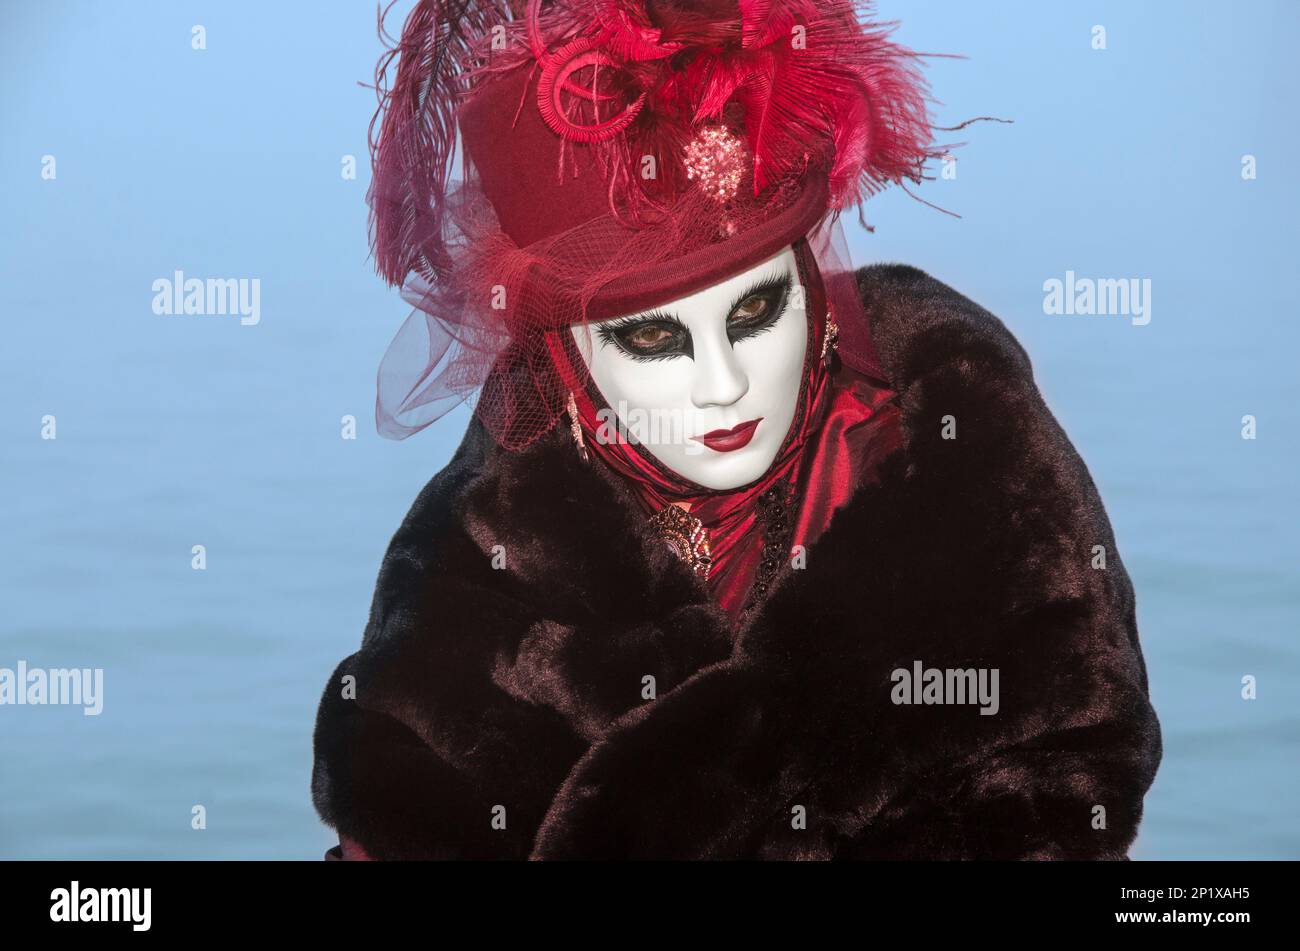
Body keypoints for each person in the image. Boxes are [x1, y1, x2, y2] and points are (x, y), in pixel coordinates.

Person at [311, 0, 1162, 860]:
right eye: (651, 337)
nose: (724, 385)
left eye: (756, 311)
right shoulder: (470, 578)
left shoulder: (990, 505)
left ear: (811, 296)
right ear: (568, 363)